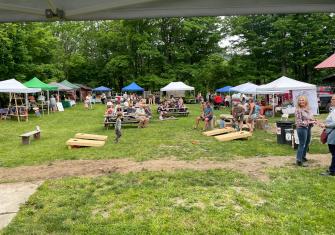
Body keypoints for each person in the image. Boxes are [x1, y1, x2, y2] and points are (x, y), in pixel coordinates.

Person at [295, 96, 315, 167]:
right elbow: (299, 122)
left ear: (306, 101)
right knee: (302, 144)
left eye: (302, 100)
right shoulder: (298, 110)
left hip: (308, 128)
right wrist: (309, 121)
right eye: (300, 100)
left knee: (307, 143)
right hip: (301, 128)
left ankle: (303, 157)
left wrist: (313, 121)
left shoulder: (308, 109)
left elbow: (311, 118)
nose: (301, 101)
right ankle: (299, 160)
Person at [320, 95, 335, 176]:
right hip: (332, 133)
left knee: (334, 153)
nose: (332, 100)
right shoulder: (333, 109)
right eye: (332, 99)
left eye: (333, 99)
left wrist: (326, 126)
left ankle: (332, 171)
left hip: (333, 134)